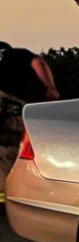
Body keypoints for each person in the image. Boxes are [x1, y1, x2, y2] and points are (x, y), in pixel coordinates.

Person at [0, 42, 59, 202]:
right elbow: (37, 63)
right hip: (10, 104)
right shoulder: (17, 54)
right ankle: (11, 199)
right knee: (10, 149)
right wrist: (50, 88)